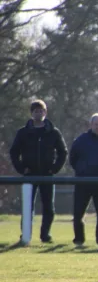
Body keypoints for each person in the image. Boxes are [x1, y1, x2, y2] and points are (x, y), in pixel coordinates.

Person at [9, 99, 67, 243]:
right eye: (36, 111)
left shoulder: (53, 132)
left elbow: (63, 152)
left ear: (45, 113)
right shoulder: (23, 133)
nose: (38, 113)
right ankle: (26, 236)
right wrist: (22, 169)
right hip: (29, 175)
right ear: (31, 113)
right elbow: (14, 152)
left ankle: (45, 235)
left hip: (47, 175)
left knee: (48, 207)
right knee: (28, 207)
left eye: (41, 111)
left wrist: (54, 168)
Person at [69, 113, 98, 245]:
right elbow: (72, 158)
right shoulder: (81, 140)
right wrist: (81, 171)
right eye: (96, 124)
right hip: (83, 182)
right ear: (91, 125)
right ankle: (79, 239)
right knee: (78, 213)